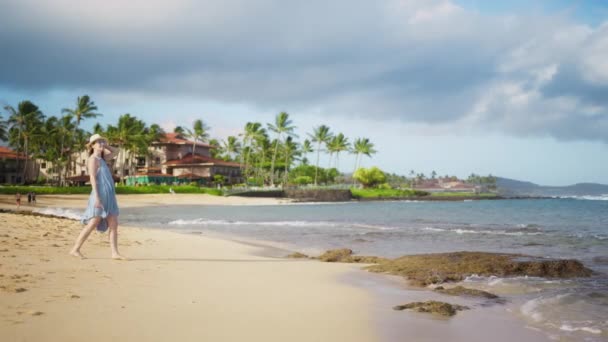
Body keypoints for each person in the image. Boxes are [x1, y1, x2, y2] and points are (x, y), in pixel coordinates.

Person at [70, 134, 127, 260]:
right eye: (98, 142)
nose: (101, 143)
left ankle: (114, 253)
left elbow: (117, 151)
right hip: (99, 195)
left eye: (102, 141)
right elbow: (92, 178)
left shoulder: (102, 158)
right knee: (92, 223)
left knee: (114, 224)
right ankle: (75, 249)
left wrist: (105, 144)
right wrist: (97, 197)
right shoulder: (93, 159)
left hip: (110, 196)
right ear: (92, 145)